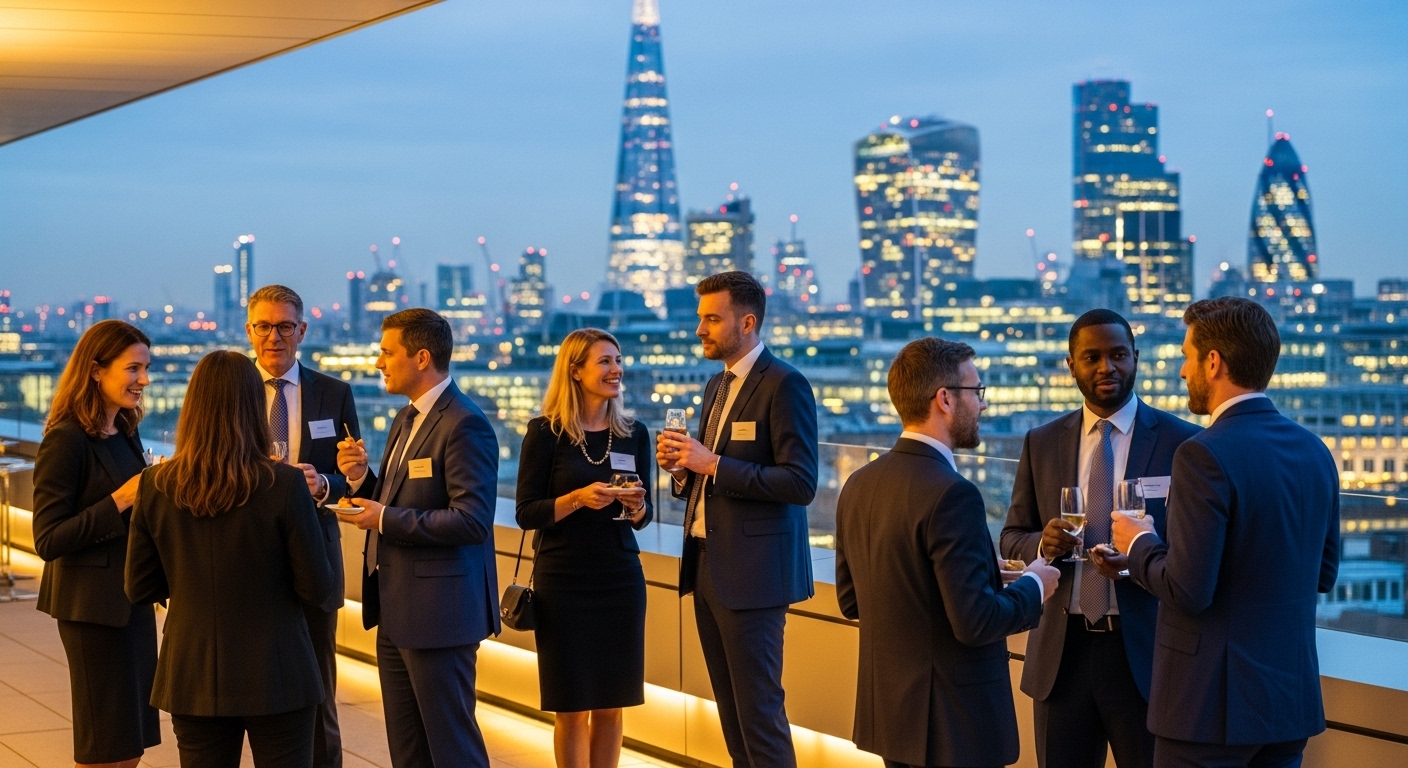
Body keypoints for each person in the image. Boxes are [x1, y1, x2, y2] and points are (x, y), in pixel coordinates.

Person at [1112, 297, 1339, 768]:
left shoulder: (1203, 455)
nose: (1181, 371)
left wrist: (1138, 542)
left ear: (1213, 362)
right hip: (1287, 704)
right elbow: (1324, 572)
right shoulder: (1315, 450)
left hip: (1208, 709)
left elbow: (1187, 590)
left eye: (1186, 356)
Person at [836, 337, 1059, 768]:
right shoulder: (953, 494)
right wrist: (1036, 582)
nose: (984, 406)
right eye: (977, 393)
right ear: (945, 399)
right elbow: (976, 623)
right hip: (953, 725)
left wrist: (973, 573)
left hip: (893, 718)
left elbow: (852, 599)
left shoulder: (859, 484)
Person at [999, 309, 1201, 768]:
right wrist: (1042, 546)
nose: (1106, 367)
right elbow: (1011, 537)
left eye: (1117, 355)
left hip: (1146, 656)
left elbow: (1194, 551)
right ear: (1071, 365)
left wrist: (1139, 558)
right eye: (1091, 357)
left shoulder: (1183, 443)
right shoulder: (1041, 442)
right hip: (1061, 656)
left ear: (1136, 358)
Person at [125, 350, 333, 767]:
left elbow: (139, 585)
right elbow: (319, 588)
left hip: (193, 670)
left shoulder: (155, 484)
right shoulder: (285, 484)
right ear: (254, 406)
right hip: (278, 672)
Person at [656, 270, 818, 768]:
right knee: (732, 717)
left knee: (760, 717)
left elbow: (800, 483)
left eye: (711, 318)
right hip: (707, 568)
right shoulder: (716, 385)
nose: (699, 330)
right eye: (699, 318)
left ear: (747, 322)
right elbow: (707, 471)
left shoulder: (785, 384)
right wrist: (683, 470)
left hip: (755, 576)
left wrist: (714, 464)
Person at [337, 308, 500, 768]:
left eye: (387, 353)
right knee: (408, 750)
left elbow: (471, 521)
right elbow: (394, 500)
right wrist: (358, 480)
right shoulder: (405, 419)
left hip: (439, 615)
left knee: (452, 749)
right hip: (395, 609)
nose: (378, 363)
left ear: (422, 357)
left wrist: (384, 518)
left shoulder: (465, 423)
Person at [515, 328, 654, 768]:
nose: (617, 370)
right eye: (605, 361)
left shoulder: (634, 433)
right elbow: (526, 511)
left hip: (619, 576)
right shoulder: (545, 433)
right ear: (575, 371)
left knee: (613, 704)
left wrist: (637, 506)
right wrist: (576, 499)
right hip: (564, 581)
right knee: (571, 705)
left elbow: (646, 518)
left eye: (618, 360)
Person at [31, 319, 160, 768]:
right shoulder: (65, 440)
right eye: (133, 369)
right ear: (95, 370)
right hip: (92, 613)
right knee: (104, 743)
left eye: (145, 368)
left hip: (132, 604)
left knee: (131, 742)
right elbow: (48, 538)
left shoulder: (125, 429)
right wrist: (120, 500)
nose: (143, 380)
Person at [246, 284, 364, 768]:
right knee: (252, 685)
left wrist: (326, 484)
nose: (275, 337)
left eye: (285, 326)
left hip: (314, 555)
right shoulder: (230, 392)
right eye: (264, 326)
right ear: (250, 330)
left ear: (303, 331)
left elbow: (352, 478)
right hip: (247, 559)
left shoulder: (334, 393)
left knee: (318, 687)